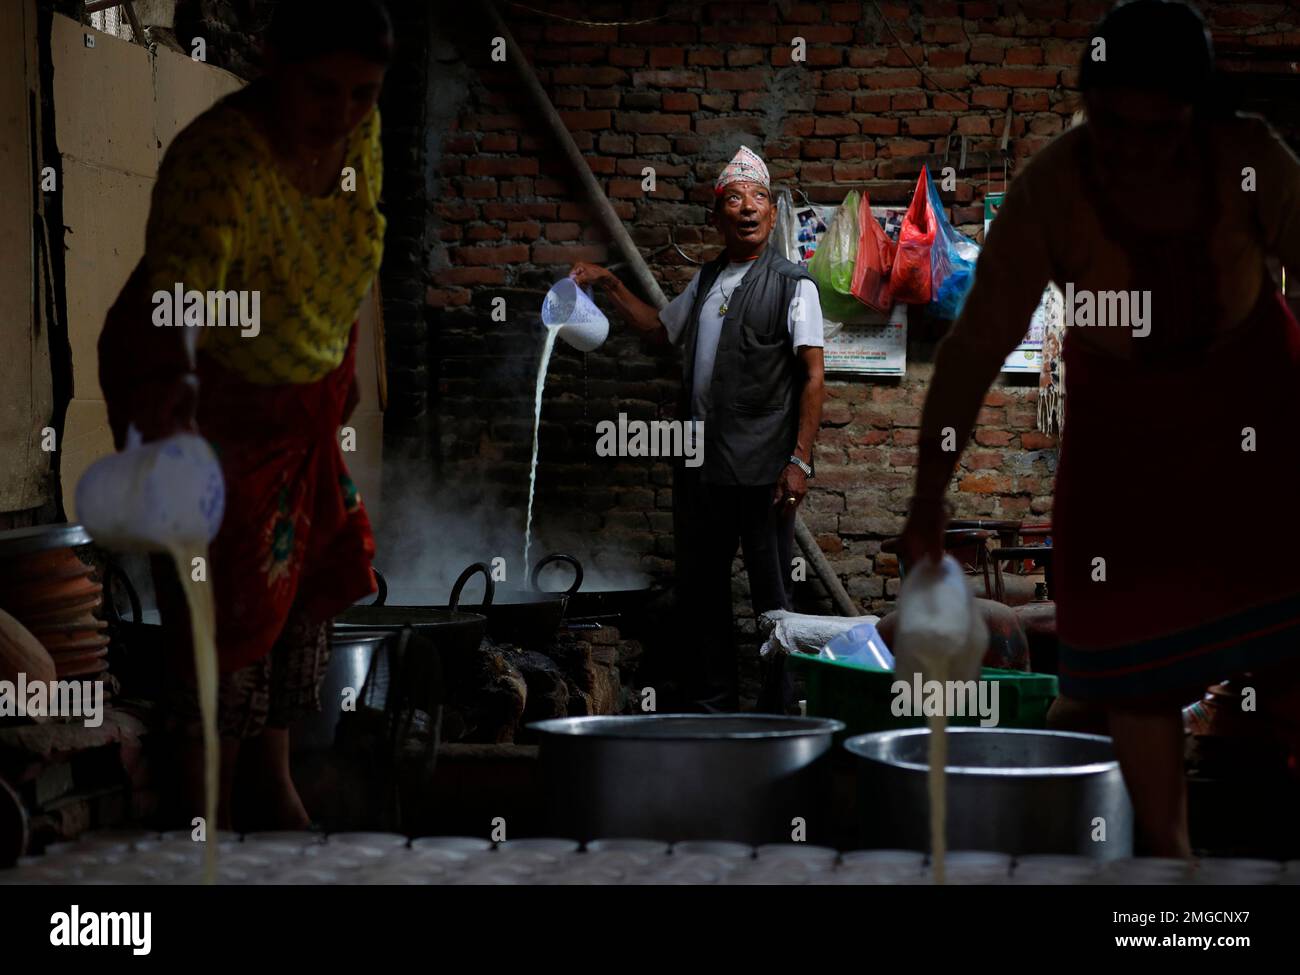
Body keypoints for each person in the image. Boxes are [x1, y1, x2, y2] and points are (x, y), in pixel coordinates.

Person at [898, 0, 1300, 857]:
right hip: (1126, 448)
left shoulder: (1251, 161)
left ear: (1196, 114)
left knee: (1282, 656)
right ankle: (1164, 870)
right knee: (1123, 674)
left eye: (1154, 132)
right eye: (1109, 124)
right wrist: (927, 500)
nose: (1129, 150)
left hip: (1253, 426)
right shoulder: (1056, 188)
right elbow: (971, 352)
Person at [97, 0, 392, 830]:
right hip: (208, 393)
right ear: (271, 64)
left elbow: (353, 247)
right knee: (225, 609)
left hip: (304, 391)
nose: (342, 114)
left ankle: (273, 785)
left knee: (301, 588)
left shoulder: (358, 137)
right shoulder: (219, 162)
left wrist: (343, 366)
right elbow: (174, 313)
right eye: (322, 89)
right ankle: (207, 819)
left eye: (364, 94)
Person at [571, 146, 826, 711]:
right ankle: (715, 710)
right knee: (704, 596)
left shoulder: (793, 285)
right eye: (734, 199)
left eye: (759, 198)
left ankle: (780, 714)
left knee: (773, 601)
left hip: (765, 473)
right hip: (702, 471)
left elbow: (812, 378)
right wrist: (607, 286)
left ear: (773, 213)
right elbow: (662, 333)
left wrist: (800, 461)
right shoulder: (708, 279)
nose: (748, 208)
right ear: (717, 216)